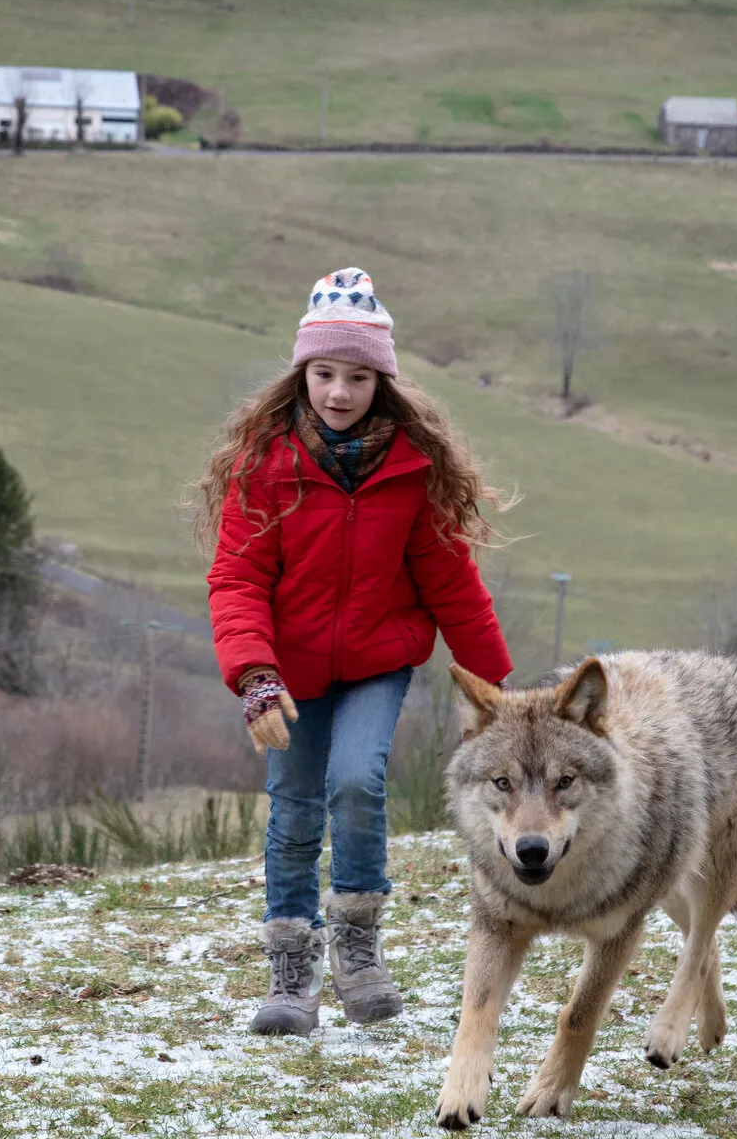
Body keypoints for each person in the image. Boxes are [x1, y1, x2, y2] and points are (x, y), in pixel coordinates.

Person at [197, 267, 513, 1037]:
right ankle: (291, 973)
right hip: (287, 674)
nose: (340, 392)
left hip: (377, 660)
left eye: (359, 377)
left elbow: (451, 581)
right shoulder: (264, 465)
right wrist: (254, 675)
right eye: (325, 373)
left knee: (356, 782)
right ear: (301, 373)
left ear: (383, 382)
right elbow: (237, 577)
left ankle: (359, 952)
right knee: (295, 810)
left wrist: (498, 693)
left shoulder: (411, 469)